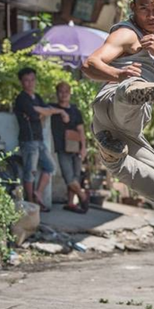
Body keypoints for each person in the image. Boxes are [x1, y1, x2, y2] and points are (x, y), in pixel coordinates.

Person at [82, 0, 154, 202]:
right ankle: (132, 90)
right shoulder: (126, 34)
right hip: (112, 103)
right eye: (144, 9)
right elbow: (89, 64)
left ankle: (113, 158)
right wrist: (118, 75)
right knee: (132, 89)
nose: (151, 16)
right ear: (133, 8)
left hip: (124, 130)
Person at [14, 67, 66, 212]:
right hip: (28, 140)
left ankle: (38, 194)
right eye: (26, 80)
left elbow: (46, 110)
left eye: (32, 80)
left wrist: (40, 110)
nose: (30, 83)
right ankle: (30, 203)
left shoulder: (36, 97)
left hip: (39, 139)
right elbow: (36, 116)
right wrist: (40, 112)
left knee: (50, 167)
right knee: (30, 172)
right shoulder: (22, 98)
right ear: (21, 82)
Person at [50, 82, 90, 213]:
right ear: (57, 93)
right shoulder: (53, 108)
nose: (64, 94)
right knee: (69, 178)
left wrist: (83, 147)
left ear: (70, 93)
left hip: (75, 147)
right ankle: (83, 197)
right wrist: (60, 111)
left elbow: (81, 131)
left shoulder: (75, 111)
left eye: (66, 91)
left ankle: (70, 203)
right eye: (61, 91)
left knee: (75, 177)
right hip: (62, 148)